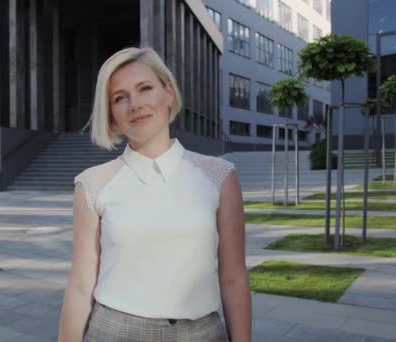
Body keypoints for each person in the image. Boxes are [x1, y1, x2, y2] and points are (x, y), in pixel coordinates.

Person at [58, 47, 251, 342]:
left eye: (145, 88)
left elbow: (234, 277)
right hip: (112, 332)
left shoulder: (219, 177)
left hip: (201, 333)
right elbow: (82, 285)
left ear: (168, 93)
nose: (135, 104)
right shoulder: (92, 184)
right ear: (111, 115)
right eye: (120, 98)